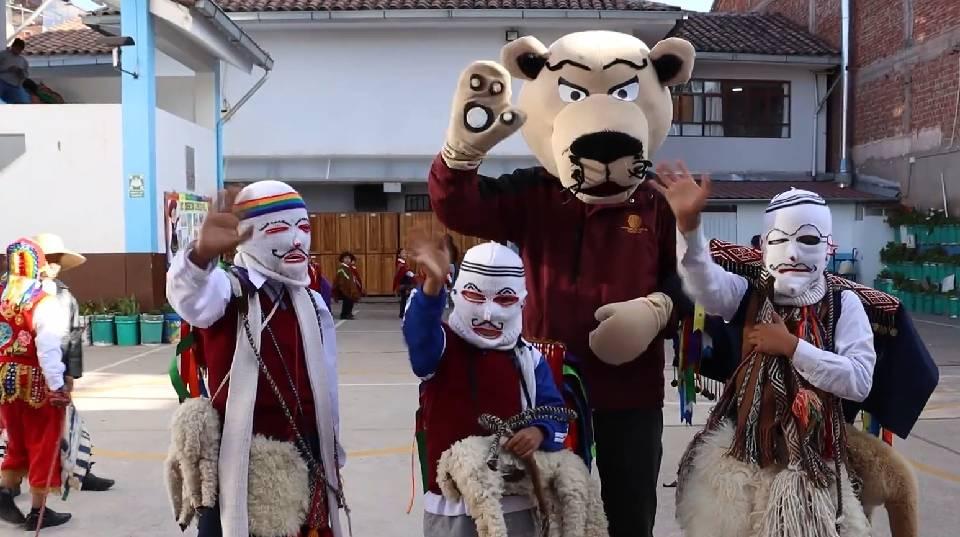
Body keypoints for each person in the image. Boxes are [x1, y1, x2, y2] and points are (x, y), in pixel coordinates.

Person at [429, 30, 694, 537]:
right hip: (547, 389)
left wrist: (660, 309)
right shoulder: (534, 193)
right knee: (549, 509)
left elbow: (687, 280)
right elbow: (458, 207)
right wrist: (461, 154)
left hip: (630, 392)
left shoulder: (655, 203)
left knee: (629, 511)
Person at [653, 163, 874, 536]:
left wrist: (792, 347)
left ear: (829, 247)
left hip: (814, 463)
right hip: (746, 458)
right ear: (761, 245)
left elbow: (859, 380)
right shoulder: (749, 294)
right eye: (778, 240)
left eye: (807, 240)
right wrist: (690, 230)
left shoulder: (844, 305)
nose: (791, 253)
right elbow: (704, 283)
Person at [165, 182, 348, 537]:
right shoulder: (227, 291)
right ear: (247, 237)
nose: (297, 240)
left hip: (307, 453)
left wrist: (331, 452)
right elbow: (189, 296)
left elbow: (329, 389)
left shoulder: (313, 302)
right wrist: (201, 256)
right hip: (240, 464)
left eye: (304, 228)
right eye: (279, 229)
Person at [403, 238, 568, 537]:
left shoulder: (528, 358)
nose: (489, 315)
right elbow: (419, 339)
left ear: (521, 300)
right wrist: (432, 288)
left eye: (503, 300)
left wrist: (539, 431)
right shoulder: (442, 348)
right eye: (475, 296)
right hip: (451, 506)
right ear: (457, 293)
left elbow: (557, 412)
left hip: (514, 503)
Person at [32, 233, 115, 492]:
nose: (54, 265)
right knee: (19, 430)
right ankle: (10, 484)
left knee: (70, 423)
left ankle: (80, 471)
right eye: (49, 259)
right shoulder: (18, 293)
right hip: (27, 373)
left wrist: (71, 373)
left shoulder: (63, 294)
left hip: (55, 369)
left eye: (58, 260)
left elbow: (73, 336)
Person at [0, 238, 72, 530]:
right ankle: (37, 512)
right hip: (35, 382)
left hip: (4, 380)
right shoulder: (44, 301)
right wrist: (57, 385)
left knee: (16, 440)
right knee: (43, 442)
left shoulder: (3, 299)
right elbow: (48, 347)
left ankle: (5, 491)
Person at [0, 39, 30, 105]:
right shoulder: (3, 54)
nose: (18, 51)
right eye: (17, 48)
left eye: (20, 49)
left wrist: (20, 72)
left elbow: (26, 75)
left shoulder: (23, 61)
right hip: (2, 82)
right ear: (13, 46)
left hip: (15, 86)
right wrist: (7, 69)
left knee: (25, 102)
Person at [333, 252, 362, 321]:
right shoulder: (342, 268)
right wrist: (342, 286)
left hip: (350, 288)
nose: (347, 260)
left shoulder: (350, 268)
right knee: (347, 301)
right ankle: (344, 314)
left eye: (349, 258)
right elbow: (340, 278)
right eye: (345, 258)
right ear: (342, 259)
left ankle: (349, 313)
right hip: (344, 288)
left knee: (351, 301)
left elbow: (354, 278)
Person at [393, 248, 417, 319]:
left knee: (405, 298)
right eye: (403, 253)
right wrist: (412, 275)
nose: (405, 254)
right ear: (399, 255)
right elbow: (403, 272)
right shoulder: (400, 263)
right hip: (404, 282)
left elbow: (406, 270)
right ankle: (403, 313)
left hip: (406, 282)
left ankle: (403, 313)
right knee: (406, 298)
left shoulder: (403, 262)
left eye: (405, 253)